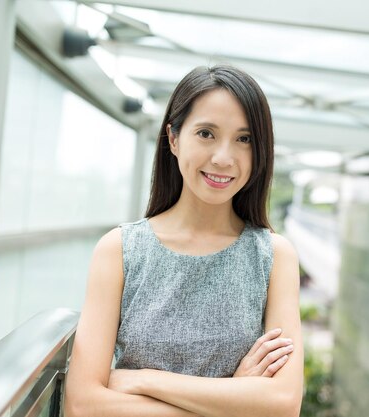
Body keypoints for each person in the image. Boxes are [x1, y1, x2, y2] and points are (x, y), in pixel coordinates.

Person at [65, 65, 303, 417]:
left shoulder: (273, 257)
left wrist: (144, 380)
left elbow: (283, 405)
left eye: (245, 138)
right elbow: (83, 405)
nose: (223, 158)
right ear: (174, 139)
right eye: (206, 133)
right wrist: (235, 397)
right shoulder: (120, 250)